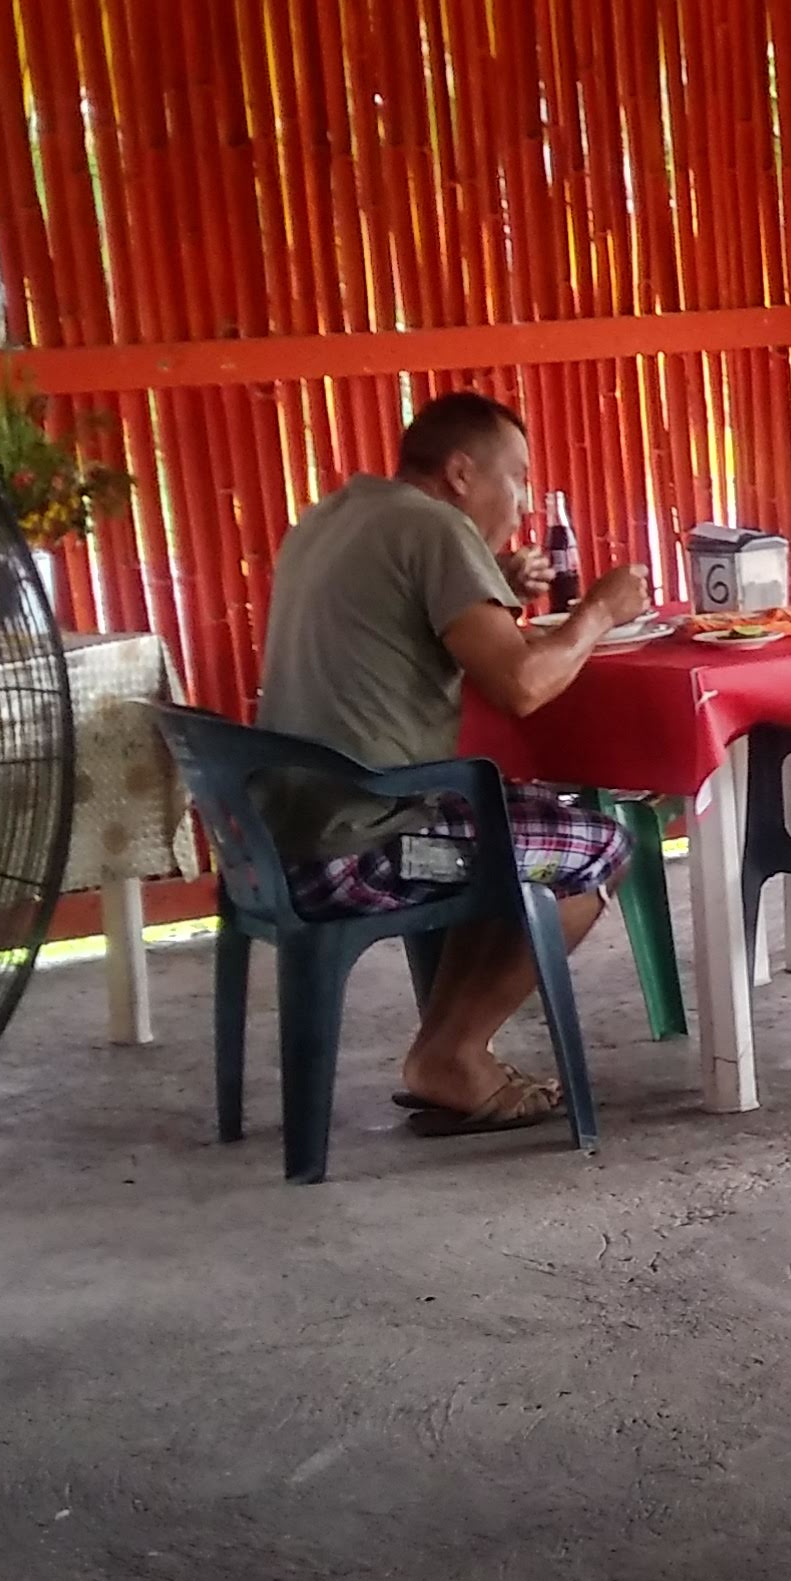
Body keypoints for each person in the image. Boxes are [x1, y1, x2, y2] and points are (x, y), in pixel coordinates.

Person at [253, 390, 653, 1135]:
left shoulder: (339, 515)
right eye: (519, 477)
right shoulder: (435, 530)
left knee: (508, 819)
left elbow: (409, 618)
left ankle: (446, 1049)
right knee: (600, 848)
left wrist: (490, 573)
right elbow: (523, 686)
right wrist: (601, 610)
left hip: (276, 834)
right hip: (359, 845)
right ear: (463, 473)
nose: (527, 502)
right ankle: (453, 1052)